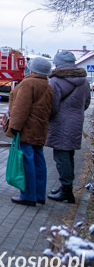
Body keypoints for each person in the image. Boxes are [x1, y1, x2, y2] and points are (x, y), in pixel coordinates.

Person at [4, 56, 54, 206]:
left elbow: (21, 108)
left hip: (26, 129)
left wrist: (14, 127)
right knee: (39, 161)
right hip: (40, 128)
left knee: (26, 162)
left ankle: (28, 196)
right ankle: (39, 195)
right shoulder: (47, 85)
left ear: (32, 69)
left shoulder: (28, 83)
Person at [46, 51, 90, 203]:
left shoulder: (56, 80)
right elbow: (86, 103)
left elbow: (52, 105)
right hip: (76, 122)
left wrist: (48, 118)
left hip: (60, 123)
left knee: (60, 156)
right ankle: (66, 186)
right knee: (68, 154)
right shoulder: (84, 80)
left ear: (58, 63)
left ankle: (66, 190)